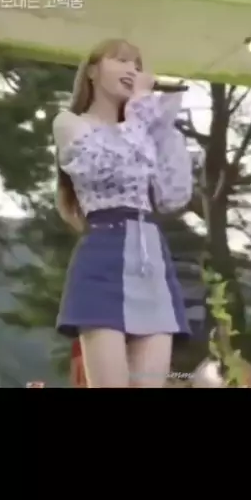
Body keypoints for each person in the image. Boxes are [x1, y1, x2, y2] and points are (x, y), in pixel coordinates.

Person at [53, 38, 193, 388]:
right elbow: (106, 167)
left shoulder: (141, 128)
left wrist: (164, 128)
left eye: (137, 65)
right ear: (92, 71)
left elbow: (173, 197)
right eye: (121, 61)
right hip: (104, 252)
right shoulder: (71, 123)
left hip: (151, 257)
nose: (132, 70)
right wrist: (140, 111)